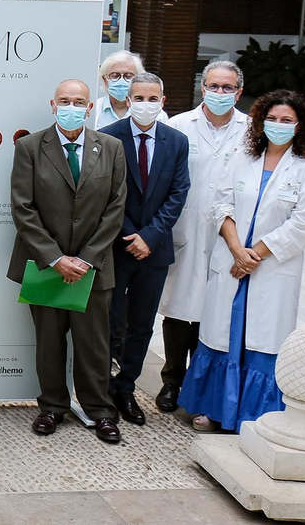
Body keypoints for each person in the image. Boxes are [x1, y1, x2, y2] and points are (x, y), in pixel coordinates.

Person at [179, 89, 305, 433]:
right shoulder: (243, 156)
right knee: (223, 334)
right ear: (260, 122)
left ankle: (253, 415)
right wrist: (236, 249)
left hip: (271, 267)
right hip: (232, 261)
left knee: (260, 340)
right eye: (271, 119)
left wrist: (254, 255)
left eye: (286, 120)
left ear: (300, 125)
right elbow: (221, 204)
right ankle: (214, 409)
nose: (278, 125)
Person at [9, 78, 128, 443]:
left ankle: (99, 410)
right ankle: (52, 407)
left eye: (78, 102)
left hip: (94, 268)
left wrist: (87, 259)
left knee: (94, 344)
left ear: (90, 108)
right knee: (49, 342)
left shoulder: (111, 148)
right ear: (53, 105)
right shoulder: (30, 146)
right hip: (45, 264)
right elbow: (23, 208)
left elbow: (116, 208)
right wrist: (56, 258)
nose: (71, 107)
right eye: (64, 101)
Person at [99, 72, 189, 427]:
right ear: (128, 100)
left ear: (163, 102)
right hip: (116, 246)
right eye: (139, 98)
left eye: (153, 99)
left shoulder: (176, 141)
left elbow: (178, 192)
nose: (145, 104)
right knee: (109, 322)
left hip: (155, 249)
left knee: (141, 324)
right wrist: (130, 235)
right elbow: (105, 194)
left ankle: (126, 388)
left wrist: (149, 237)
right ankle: (102, 390)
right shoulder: (108, 137)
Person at [158, 60, 249, 413]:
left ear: (239, 93)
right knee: (179, 308)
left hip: (229, 234)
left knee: (216, 311)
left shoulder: (251, 130)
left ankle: (202, 386)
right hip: (186, 229)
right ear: (202, 88)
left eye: (228, 88)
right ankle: (172, 381)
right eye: (214, 86)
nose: (219, 92)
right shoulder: (179, 125)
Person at [93, 51, 164, 130]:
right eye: (115, 76)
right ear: (105, 79)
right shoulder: (94, 110)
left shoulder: (155, 112)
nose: (121, 81)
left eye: (128, 76)